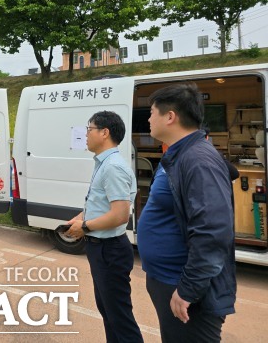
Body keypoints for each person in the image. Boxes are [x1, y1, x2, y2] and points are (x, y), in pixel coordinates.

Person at [137, 83, 236, 342]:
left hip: (183, 288)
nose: (148, 118)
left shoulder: (198, 159)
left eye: (152, 112)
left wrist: (188, 289)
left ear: (170, 117)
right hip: (167, 279)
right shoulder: (180, 155)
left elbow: (213, 232)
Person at [66, 111, 144, 342]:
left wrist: (85, 226)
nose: (86, 134)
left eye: (89, 129)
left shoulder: (113, 167)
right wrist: (80, 217)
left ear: (104, 132)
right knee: (109, 313)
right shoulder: (105, 163)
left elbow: (120, 215)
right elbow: (102, 203)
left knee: (119, 317)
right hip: (102, 248)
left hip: (109, 249)